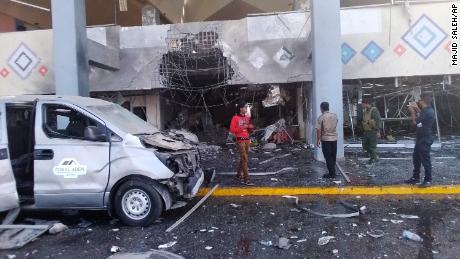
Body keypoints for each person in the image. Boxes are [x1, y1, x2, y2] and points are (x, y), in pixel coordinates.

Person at [405, 92, 435, 187]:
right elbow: (420, 120)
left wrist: (413, 111)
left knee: (425, 160)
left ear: (422, 101)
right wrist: (417, 110)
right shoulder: (426, 110)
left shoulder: (428, 111)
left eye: (419, 100)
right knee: (416, 158)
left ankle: (428, 180)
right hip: (421, 138)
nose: (418, 102)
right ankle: (415, 177)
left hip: (425, 139)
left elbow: (415, 123)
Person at [229, 101, 255, 186]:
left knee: (244, 157)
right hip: (240, 139)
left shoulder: (247, 117)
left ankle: (238, 174)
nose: (246, 109)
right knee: (244, 158)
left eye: (247, 107)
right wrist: (242, 127)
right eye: (245, 107)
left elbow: (248, 129)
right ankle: (246, 179)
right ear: (241, 108)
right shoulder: (235, 118)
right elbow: (232, 130)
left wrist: (250, 128)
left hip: (246, 139)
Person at [316, 102, 338, 179]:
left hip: (326, 139)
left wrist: (318, 140)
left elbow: (319, 130)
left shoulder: (321, 117)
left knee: (328, 156)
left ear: (321, 108)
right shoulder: (335, 116)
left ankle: (332, 174)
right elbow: (336, 124)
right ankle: (333, 171)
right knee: (333, 156)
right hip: (334, 139)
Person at [361, 98, 382, 165]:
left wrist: (378, 131)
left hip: (373, 131)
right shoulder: (365, 111)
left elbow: (378, 120)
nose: (362, 105)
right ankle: (373, 158)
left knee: (372, 146)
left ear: (366, 103)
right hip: (366, 131)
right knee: (365, 145)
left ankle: (374, 159)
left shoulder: (374, 110)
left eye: (362, 104)